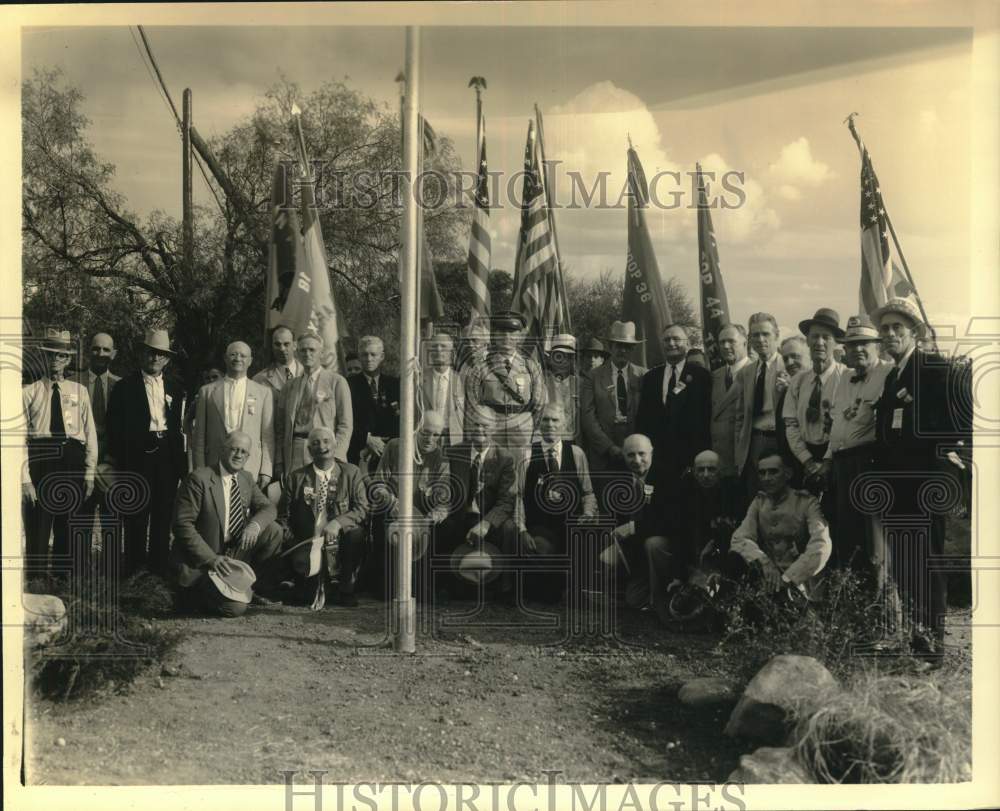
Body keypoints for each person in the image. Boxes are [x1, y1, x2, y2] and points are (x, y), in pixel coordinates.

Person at [873, 297, 970, 655]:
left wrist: (936, 457)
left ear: (914, 332)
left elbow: (959, 420)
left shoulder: (933, 368)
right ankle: (916, 641)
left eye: (897, 327)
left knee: (926, 565)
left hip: (924, 483)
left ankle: (931, 649)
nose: (890, 333)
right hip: (897, 488)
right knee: (906, 565)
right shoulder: (891, 377)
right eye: (885, 328)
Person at [171, 431, 284, 616]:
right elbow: (182, 525)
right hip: (203, 560)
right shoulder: (199, 479)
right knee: (235, 609)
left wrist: (254, 525)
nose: (239, 455)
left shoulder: (245, 478)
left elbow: (268, 508)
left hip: (232, 554)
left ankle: (251, 588)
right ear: (222, 450)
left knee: (273, 530)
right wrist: (211, 559)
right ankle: (193, 594)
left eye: (244, 452)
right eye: (234, 449)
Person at [106, 329, 187, 576]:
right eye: (151, 353)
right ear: (143, 354)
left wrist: (180, 464)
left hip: (166, 455)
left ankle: (158, 571)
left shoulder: (176, 386)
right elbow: (114, 427)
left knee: (163, 515)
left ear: (167, 359)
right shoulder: (125, 387)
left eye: (160, 354)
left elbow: (180, 428)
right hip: (137, 456)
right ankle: (134, 570)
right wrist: (122, 461)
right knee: (136, 514)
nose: (155, 358)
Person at [818, 315, 892, 577]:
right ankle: (852, 600)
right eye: (851, 345)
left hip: (869, 463)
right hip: (841, 464)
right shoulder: (843, 378)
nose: (858, 349)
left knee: (875, 538)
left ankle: (880, 604)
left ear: (877, 346)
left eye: (864, 343)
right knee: (846, 533)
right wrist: (827, 460)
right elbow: (837, 424)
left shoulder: (889, 373)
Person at [21, 328, 99, 576]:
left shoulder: (80, 392)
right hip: (41, 460)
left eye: (61, 356)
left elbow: (90, 435)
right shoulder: (28, 392)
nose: (55, 360)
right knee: (39, 526)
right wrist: (25, 481)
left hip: (72, 459)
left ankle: (67, 583)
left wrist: (89, 473)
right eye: (51, 355)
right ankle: (38, 582)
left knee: (69, 523)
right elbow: (20, 441)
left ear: (67, 360)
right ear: (43, 358)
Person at [276, 426, 370, 607]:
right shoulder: (296, 478)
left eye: (326, 441)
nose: (322, 446)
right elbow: (283, 517)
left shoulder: (351, 473)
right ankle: (307, 583)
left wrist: (337, 523)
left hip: (341, 542)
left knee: (356, 533)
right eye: (315, 443)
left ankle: (346, 589)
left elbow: (362, 508)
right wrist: (295, 543)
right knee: (304, 597)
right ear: (309, 450)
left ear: (335, 445)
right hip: (308, 542)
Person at [512, 404, 598, 602]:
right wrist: (522, 529)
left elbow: (588, 492)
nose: (550, 424)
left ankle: (579, 590)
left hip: (570, 524)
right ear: (538, 424)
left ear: (564, 424)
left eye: (555, 420)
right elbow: (518, 496)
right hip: (540, 526)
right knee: (544, 583)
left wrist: (587, 514)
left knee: (585, 536)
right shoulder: (526, 455)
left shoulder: (576, 453)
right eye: (546, 420)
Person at [725, 451, 833, 603]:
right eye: (762, 473)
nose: (767, 478)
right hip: (769, 581)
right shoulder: (759, 502)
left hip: (801, 583)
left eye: (773, 472)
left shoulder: (806, 502)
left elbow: (821, 546)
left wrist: (789, 578)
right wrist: (764, 562)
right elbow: (739, 539)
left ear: (788, 474)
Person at [368, 411, 452, 599]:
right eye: (425, 432)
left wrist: (433, 517)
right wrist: (392, 503)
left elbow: (444, 500)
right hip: (394, 510)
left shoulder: (441, 458)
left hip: (422, 517)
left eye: (436, 434)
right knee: (390, 526)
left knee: (442, 529)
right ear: (415, 429)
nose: (430, 439)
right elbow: (377, 485)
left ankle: (424, 587)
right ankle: (389, 584)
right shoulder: (395, 446)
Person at [438, 413, 516, 598]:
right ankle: (442, 585)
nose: (479, 430)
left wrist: (487, 523)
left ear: (495, 428)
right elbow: (444, 488)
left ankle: (506, 588)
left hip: (488, 517)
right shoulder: (454, 453)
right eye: (475, 425)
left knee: (509, 528)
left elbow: (506, 501)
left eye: (485, 425)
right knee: (441, 526)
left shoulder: (505, 458)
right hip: (460, 514)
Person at [635, 323, 712, 490]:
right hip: (657, 462)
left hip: (690, 462)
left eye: (676, 339)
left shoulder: (701, 376)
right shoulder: (651, 377)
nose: (671, 344)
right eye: (667, 340)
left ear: (688, 344)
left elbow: (706, 420)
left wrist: (699, 459)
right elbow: (643, 419)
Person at [597, 433, 669, 611]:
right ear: (623, 455)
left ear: (651, 453)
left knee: (653, 544)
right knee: (633, 599)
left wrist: (632, 527)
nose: (637, 460)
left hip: (663, 550)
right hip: (636, 552)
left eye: (642, 454)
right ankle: (619, 592)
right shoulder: (619, 478)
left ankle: (660, 599)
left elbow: (669, 522)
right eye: (630, 455)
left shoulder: (667, 477)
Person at [192, 341, 275, 490]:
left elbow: (267, 436)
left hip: (250, 467)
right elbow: (199, 436)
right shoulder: (207, 392)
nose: (238, 359)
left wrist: (266, 471)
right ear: (225, 358)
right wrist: (199, 469)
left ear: (250, 361)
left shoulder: (263, 393)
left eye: (243, 355)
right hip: (213, 466)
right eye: (233, 354)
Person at [782, 308, 847, 490]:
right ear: (808, 341)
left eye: (826, 337)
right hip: (803, 459)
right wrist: (807, 461)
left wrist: (827, 462)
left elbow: (844, 425)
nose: (819, 342)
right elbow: (791, 425)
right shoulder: (797, 381)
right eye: (814, 336)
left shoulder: (846, 378)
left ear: (835, 342)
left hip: (836, 457)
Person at [274, 331, 353, 480]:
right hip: (295, 451)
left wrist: (336, 457)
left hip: (325, 450)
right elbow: (280, 429)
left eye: (312, 350)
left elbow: (345, 425)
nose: (307, 354)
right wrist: (279, 460)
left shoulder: (336, 382)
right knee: (298, 497)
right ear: (297, 354)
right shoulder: (289, 387)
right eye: (303, 350)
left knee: (324, 496)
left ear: (321, 354)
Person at [463, 311, 546, 452]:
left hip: (522, 426)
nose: (507, 337)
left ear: (520, 336)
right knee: (491, 466)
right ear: (494, 335)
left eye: (512, 332)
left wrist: (534, 429)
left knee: (522, 468)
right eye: (501, 332)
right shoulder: (481, 367)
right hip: (491, 427)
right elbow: (472, 403)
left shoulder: (530, 366)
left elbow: (539, 403)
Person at [580, 320, 646, 483]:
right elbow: (588, 417)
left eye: (627, 346)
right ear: (610, 347)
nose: (622, 350)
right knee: (605, 501)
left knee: (635, 501)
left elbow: (648, 414)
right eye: (618, 345)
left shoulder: (644, 375)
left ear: (633, 349)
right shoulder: (593, 377)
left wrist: (636, 447)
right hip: (602, 455)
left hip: (636, 455)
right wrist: (609, 447)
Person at [732, 313, 788, 500]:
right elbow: (741, 415)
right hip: (754, 441)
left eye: (765, 334)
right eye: (755, 335)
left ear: (776, 335)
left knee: (783, 495)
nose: (760, 340)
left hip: (781, 440)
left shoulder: (790, 367)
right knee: (756, 496)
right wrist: (740, 447)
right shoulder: (747, 372)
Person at [76, 332, 121, 564]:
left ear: (113, 353)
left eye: (105, 349)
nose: (100, 354)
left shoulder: (121, 386)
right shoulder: (74, 382)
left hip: (111, 464)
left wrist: (113, 460)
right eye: (95, 349)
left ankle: (110, 570)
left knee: (111, 517)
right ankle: (79, 569)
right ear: (88, 351)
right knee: (81, 516)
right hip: (80, 462)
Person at [347, 335, 400, 471]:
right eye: (364, 355)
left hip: (390, 453)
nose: (369, 359)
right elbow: (344, 421)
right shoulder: (348, 385)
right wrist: (366, 439)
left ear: (381, 356)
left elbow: (401, 420)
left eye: (373, 354)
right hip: (359, 453)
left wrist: (387, 445)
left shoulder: (395, 385)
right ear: (359, 357)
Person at [710, 323, 751, 478]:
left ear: (745, 343)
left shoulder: (757, 372)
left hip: (743, 460)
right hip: (718, 460)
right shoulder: (715, 376)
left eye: (731, 341)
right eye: (722, 342)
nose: (726, 346)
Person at [420, 333, 464, 446]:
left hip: (454, 439)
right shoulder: (419, 379)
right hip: (426, 438)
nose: (439, 350)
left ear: (452, 352)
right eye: (435, 346)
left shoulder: (462, 380)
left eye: (443, 346)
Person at [774, 336, 807, 472]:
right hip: (792, 466)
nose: (790, 362)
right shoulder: (786, 391)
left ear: (809, 355)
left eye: (795, 356)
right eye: (785, 358)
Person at [540, 334, 580, 442]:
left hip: (575, 442)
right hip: (547, 442)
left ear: (572, 360)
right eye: (558, 356)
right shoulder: (541, 383)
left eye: (568, 356)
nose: (562, 360)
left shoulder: (580, 384)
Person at [252, 326, 302, 398]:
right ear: (272, 346)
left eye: (286, 344)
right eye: (277, 344)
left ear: (295, 345)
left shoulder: (309, 374)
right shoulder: (259, 380)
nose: (282, 349)